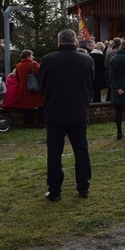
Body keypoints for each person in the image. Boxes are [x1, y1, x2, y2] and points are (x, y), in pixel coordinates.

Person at [38, 29, 94, 201]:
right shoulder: (87, 60)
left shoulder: (48, 60)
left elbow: (42, 86)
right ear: (76, 41)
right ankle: (83, 187)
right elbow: (90, 83)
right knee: (81, 150)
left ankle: (55, 190)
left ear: (59, 41)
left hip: (56, 112)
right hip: (78, 111)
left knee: (54, 153)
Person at [14, 49, 44, 128]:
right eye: (31, 55)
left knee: (27, 108)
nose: (33, 57)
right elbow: (40, 74)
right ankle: (41, 122)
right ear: (28, 56)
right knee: (41, 105)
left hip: (24, 89)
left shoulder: (18, 65)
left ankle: (28, 123)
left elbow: (17, 78)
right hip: (34, 88)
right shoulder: (33, 64)